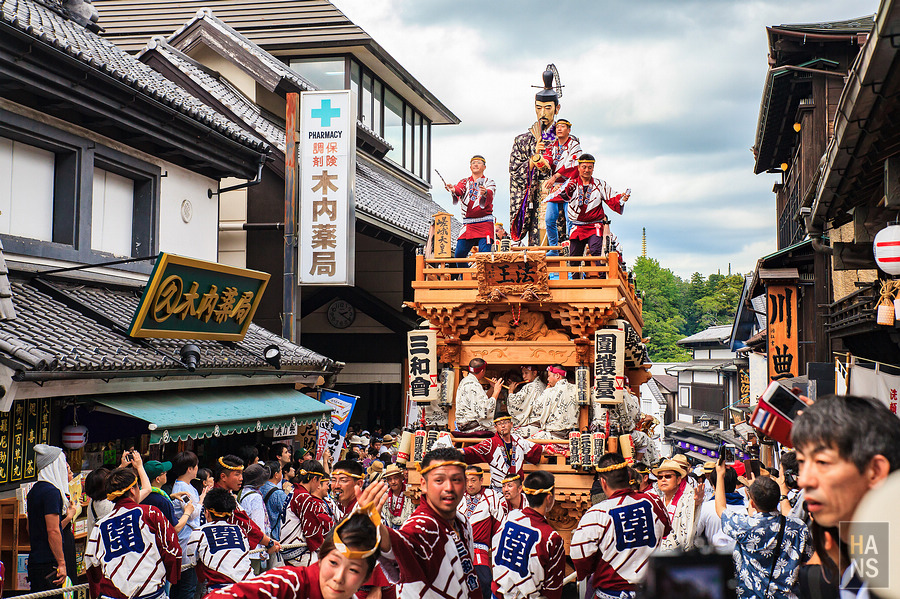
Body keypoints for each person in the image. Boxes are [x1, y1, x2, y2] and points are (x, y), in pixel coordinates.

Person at [791, 394, 900, 597]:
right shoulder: (863, 566)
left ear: (875, 471)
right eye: (801, 461)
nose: (804, 480)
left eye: (822, 462)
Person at [373, 447, 481, 598]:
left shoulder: (462, 521)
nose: (449, 488)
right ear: (423, 484)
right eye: (439, 480)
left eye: (456, 479)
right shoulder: (423, 524)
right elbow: (403, 543)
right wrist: (376, 528)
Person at [206, 508, 383, 599]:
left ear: (365, 577)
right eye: (334, 563)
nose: (339, 577)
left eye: (353, 570)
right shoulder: (288, 583)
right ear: (321, 558)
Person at [571, 453, 670, 598]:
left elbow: (580, 557)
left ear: (603, 482)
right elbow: (666, 529)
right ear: (629, 477)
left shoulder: (596, 514)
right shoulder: (654, 501)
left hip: (610, 593)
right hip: (650, 590)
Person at [715, 459, 812, 599]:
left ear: (752, 503)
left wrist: (720, 475)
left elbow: (720, 509)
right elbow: (806, 563)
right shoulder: (799, 527)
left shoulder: (744, 526)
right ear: (778, 498)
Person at [84, 464, 182, 599]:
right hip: (150, 593)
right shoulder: (151, 513)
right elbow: (172, 549)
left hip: (112, 594)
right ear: (133, 490)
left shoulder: (100, 526)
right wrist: (171, 577)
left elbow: (91, 566)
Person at [544, 155, 630, 270]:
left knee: (597, 252)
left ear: (593, 168)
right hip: (577, 226)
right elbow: (564, 193)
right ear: (579, 168)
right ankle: (574, 284)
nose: (586, 170)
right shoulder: (572, 184)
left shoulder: (600, 185)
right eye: (584, 167)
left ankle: (601, 281)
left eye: (590, 167)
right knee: (573, 257)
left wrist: (621, 199)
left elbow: (613, 198)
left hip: (594, 226)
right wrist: (557, 189)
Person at [491, 471, 565, 599]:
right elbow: (553, 589)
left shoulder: (510, 518)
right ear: (549, 497)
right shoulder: (551, 538)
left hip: (498, 593)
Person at [510, 68, 560, 245]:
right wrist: (532, 160)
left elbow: (573, 171)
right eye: (538, 108)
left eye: (548, 108)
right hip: (534, 196)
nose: (543, 113)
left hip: (557, 195)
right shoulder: (522, 141)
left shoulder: (567, 140)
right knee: (536, 244)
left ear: (557, 108)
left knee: (558, 241)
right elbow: (514, 171)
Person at [27, 445, 76, 591]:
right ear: (55, 466)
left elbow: (29, 528)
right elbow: (53, 530)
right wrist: (61, 563)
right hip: (50, 563)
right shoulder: (51, 492)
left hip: (36, 559)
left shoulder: (34, 491)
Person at [185, 488, 254, 590]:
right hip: (249, 586)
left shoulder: (199, 532)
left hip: (220, 591)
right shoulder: (239, 530)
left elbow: (193, 560)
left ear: (207, 512)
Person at [213, 455, 281, 557]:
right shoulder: (219, 498)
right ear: (223, 477)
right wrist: (268, 542)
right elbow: (244, 523)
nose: (241, 478)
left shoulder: (227, 494)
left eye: (241, 474)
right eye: (237, 474)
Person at [457, 466, 504, 598]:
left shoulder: (492, 496)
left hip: (480, 552)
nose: (469, 484)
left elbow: (500, 527)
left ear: (481, 480)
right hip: (458, 550)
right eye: (466, 481)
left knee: (484, 583)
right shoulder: (457, 496)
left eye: (473, 480)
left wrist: (496, 556)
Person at [463, 413, 543, 489]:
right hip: (498, 489)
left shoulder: (519, 441)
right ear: (495, 427)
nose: (503, 426)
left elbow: (537, 449)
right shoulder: (490, 444)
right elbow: (471, 451)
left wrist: (550, 449)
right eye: (499, 424)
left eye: (505, 422)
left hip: (517, 489)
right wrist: (456, 452)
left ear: (511, 424)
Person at [540, 119, 582, 256]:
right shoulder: (552, 145)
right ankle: (553, 248)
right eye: (557, 127)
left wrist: (554, 176)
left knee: (570, 218)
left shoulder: (574, 145)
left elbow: (573, 164)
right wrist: (542, 162)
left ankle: (571, 246)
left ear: (569, 130)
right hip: (556, 186)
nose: (559, 129)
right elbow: (548, 159)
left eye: (562, 127)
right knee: (549, 219)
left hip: (569, 184)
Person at [446, 155, 496, 258]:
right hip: (468, 224)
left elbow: (490, 192)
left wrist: (485, 192)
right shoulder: (464, 182)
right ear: (470, 167)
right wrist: (453, 189)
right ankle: (464, 275)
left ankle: (482, 274)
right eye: (473, 163)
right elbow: (459, 189)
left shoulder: (489, 182)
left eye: (478, 162)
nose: (476, 165)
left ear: (484, 167)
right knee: (459, 254)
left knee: (484, 256)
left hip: (485, 223)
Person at [170, 451, 204, 599]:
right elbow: (192, 512)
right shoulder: (181, 488)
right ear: (190, 469)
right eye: (195, 466)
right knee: (187, 586)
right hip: (185, 539)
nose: (197, 468)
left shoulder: (186, 486)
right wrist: (202, 500)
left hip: (187, 538)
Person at [694, 465, 744, 552]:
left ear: (713, 485)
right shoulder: (747, 508)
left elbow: (695, 534)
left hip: (713, 558)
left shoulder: (705, 507)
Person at [653, 457, 699, 551]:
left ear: (678, 480)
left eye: (668, 476)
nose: (663, 480)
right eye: (660, 477)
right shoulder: (656, 502)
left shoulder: (687, 500)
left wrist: (697, 504)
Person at [238, 463, 271, 573]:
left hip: (246, 543)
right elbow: (258, 523)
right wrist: (264, 545)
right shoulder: (256, 497)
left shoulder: (242, 492)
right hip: (256, 546)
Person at [454, 358, 503, 432]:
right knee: (501, 431)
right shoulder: (474, 385)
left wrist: (492, 388)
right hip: (471, 425)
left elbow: (481, 402)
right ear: (482, 371)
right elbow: (485, 410)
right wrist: (496, 391)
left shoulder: (464, 381)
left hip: (463, 424)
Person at [536, 365, 578, 438]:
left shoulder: (549, 391)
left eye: (549, 376)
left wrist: (545, 391)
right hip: (572, 434)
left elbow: (537, 409)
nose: (548, 379)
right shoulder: (576, 389)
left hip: (553, 435)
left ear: (557, 376)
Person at [507, 365, 547, 437]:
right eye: (523, 373)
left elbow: (516, 403)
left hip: (531, 426)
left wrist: (510, 391)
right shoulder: (543, 385)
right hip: (540, 426)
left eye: (526, 373)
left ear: (534, 373)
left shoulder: (530, 386)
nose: (524, 376)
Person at [261, 460, 290, 544]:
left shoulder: (259, 487)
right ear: (276, 475)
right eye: (280, 471)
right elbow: (287, 514)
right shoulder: (279, 493)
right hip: (275, 537)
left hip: (263, 536)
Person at [380, 464, 415, 530]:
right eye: (390, 479)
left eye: (395, 478)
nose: (393, 482)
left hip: (408, 528)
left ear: (401, 478)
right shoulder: (385, 495)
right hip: (391, 529)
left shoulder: (410, 491)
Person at [84, 467, 113, 536]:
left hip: (94, 544)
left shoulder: (92, 502)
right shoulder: (110, 504)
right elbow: (144, 491)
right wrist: (139, 467)